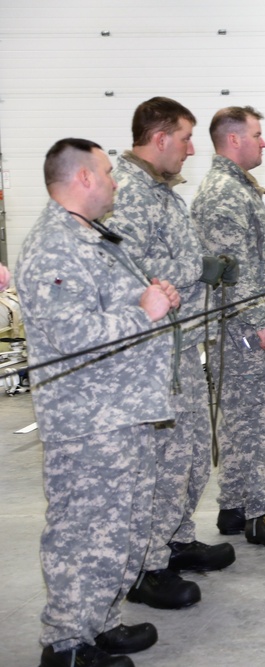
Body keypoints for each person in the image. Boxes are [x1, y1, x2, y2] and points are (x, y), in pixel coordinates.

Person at [18, 138, 179, 667]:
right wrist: (147, 312)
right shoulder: (53, 245)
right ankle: (65, 643)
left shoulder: (98, 237)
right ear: (83, 178)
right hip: (87, 420)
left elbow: (115, 304)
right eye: (108, 173)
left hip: (124, 410)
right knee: (82, 530)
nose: (115, 181)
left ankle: (100, 620)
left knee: (120, 527)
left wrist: (150, 295)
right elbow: (73, 333)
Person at [106, 97, 235, 613]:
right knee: (160, 461)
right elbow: (135, 270)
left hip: (180, 344)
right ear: (159, 138)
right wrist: (197, 269)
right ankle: (145, 565)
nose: (191, 148)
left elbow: (173, 257)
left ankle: (175, 538)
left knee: (189, 453)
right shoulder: (130, 193)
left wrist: (200, 265)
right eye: (184, 137)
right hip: (151, 351)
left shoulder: (163, 192)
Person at [190, 106, 265, 547]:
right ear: (234, 139)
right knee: (262, 421)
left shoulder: (235, 187)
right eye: (257, 134)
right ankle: (263, 513)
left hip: (239, 325)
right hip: (244, 327)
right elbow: (232, 270)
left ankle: (235, 505)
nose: (264, 142)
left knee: (242, 421)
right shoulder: (224, 193)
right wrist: (261, 321)